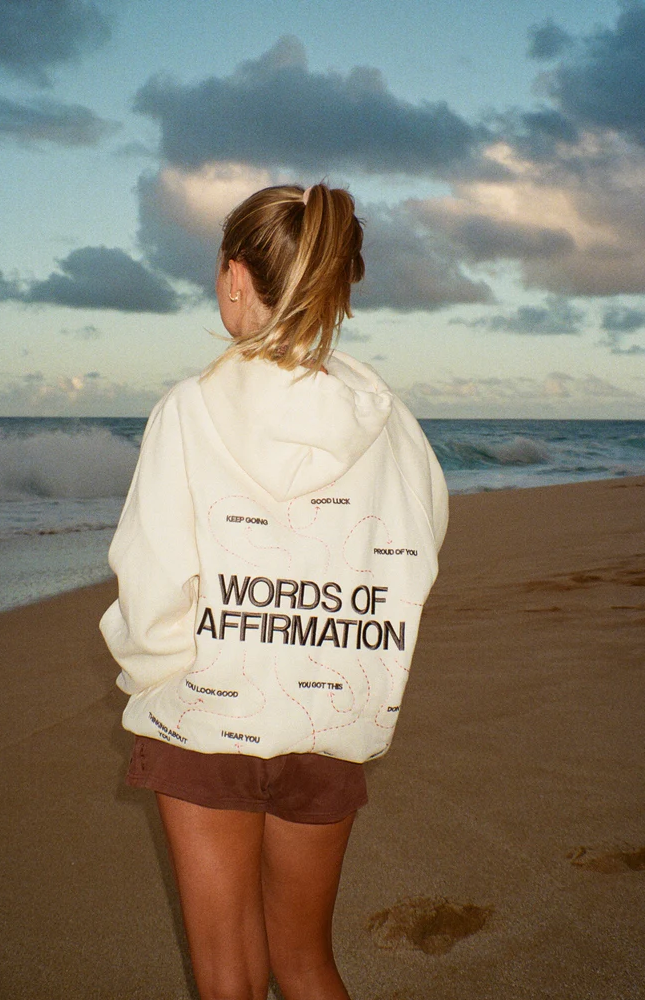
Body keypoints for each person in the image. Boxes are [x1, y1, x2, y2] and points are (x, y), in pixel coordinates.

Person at [100, 183, 448, 1000]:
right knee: (306, 962)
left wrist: (155, 680)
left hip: (205, 718)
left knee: (229, 976)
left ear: (234, 277)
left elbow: (151, 580)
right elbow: (412, 551)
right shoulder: (389, 421)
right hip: (330, 718)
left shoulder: (189, 411)